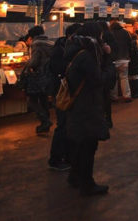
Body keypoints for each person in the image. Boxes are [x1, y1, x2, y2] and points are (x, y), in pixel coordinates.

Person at [65, 22, 110, 196]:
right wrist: (108, 66)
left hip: (78, 103)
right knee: (89, 144)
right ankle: (87, 183)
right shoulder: (87, 55)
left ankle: (75, 176)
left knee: (82, 143)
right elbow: (97, 81)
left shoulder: (74, 50)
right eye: (100, 35)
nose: (102, 38)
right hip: (86, 104)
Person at [47, 23, 81, 171]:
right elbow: (57, 69)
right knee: (63, 125)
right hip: (61, 91)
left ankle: (69, 156)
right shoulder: (59, 50)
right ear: (70, 36)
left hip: (72, 91)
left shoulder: (74, 48)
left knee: (71, 125)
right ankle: (55, 159)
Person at [26, 25, 55, 134]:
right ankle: (45, 124)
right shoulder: (51, 43)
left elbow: (34, 62)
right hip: (49, 76)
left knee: (32, 100)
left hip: (39, 75)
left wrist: (26, 62)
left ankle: (44, 120)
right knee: (43, 99)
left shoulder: (36, 44)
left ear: (32, 36)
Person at [98, 21, 118, 128]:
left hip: (103, 69)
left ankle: (103, 119)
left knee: (102, 96)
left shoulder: (101, 41)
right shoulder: (113, 38)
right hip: (112, 66)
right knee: (106, 96)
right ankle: (108, 119)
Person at [109, 19, 133, 103]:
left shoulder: (109, 33)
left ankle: (114, 97)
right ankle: (126, 96)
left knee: (114, 78)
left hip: (112, 59)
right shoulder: (125, 32)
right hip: (124, 58)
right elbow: (130, 45)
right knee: (124, 77)